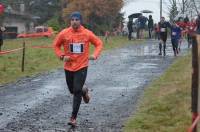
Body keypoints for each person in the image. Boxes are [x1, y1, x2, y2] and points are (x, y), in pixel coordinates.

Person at [53, 11, 103, 127]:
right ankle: (84, 91)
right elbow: (56, 45)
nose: (74, 22)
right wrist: (61, 56)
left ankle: (73, 118)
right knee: (73, 90)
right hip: (68, 67)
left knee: (76, 91)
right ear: (70, 21)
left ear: (80, 21)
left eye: (77, 19)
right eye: (72, 20)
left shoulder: (87, 33)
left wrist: (94, 55)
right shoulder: (64, 33)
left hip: (82, 66)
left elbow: (99, 43)